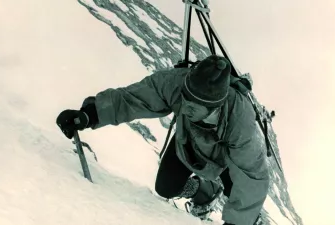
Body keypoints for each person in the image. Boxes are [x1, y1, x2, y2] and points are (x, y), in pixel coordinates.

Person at [56, 55, 270, 225]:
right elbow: (133, 98)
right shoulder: (177, 84)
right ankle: (204, 192)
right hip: (188, 143)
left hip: (228, 161)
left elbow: (252, 177)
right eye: (185, 99)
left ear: (215, 107)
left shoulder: (241, 123)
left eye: (194, 107)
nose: (184, 108)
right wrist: (90, 114)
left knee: (241, 202)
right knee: (166, 188)